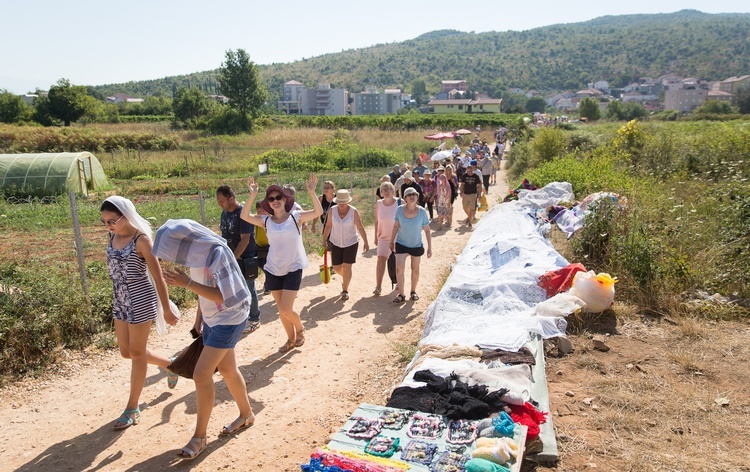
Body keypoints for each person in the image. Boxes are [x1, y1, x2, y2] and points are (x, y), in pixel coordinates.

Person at [155, 219, 254, 460]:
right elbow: (207, 288)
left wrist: (186, 282)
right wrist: (200, 318)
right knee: (229, 370)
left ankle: (199, 437)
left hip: (230, 317)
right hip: (213, 318)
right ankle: (247, 414)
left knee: (201, 374)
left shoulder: (217, 253)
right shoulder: (198, 254)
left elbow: (226, 295)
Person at [100, 197, 180, 431]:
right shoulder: (112, 236)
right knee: (127, 352)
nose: (109, 226)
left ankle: (132, 408)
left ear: (125, 215)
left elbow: (158, 277)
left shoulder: (142, 241)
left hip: (140, 300)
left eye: (112, 221)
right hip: (119, 299)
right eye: (105, 222)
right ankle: (170, 365)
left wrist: (166, 308)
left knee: (136, 353)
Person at [240, 174, 323, 352]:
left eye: (278, 197)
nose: (275, 201)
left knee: (286, 308)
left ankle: (300, 329)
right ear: (268, 203)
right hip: (273, 268)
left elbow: (318, 212)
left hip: (293, 267)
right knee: (281, 309)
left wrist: (312, 192)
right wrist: (252, 195)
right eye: (271, 199)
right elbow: (244, 215)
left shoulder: (296, 217)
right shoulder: (266, 221)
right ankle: (290, 339)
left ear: (285, 199)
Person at [216, 185, 261, 334]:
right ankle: (240, 317)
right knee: (232, 289)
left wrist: (232, 258)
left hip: (244, 256)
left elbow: (245, 240)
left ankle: (254, 318)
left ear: (231, 198)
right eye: (218, 201)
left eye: (222, 200)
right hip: (230, 256)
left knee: (248, 288)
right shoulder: (224, 213)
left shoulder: (243, 214)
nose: (219, 204)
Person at [321, 189, 370, 300]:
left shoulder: (353, 211)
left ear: (348, 202)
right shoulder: (332, 211)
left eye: (344, 202)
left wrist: (366, 242)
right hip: (336, 242)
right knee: (337, 268)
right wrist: (324, 240)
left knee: (347, 267)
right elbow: (328, 226)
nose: (342, 204)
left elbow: (360, 227)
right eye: (340, 202)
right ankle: (346, 278)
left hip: (351, 243)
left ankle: (345, 290)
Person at [390, 187, 432, 303]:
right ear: (405, 198)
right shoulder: (399, 210)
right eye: (409, 195)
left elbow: (427, 230)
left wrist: (429, 248)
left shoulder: (422, 211)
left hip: (416, 245)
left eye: (414, 194)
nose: (412, 196)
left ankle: (413, 291)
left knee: (415, 269)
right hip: (401, 244)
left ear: (417, 197)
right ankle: (401, 294)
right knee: (399, 269)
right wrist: (391, 241)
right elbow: (395, 226)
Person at [373, 182, 399, 296]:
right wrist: (375, 236)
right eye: (383, 190)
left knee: (398, 261)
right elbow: (377, 221)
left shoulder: (400, 202)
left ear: (392, 190)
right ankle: (378, 286)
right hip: (383, 237)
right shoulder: (378, 203)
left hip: (398, 237)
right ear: (381, 192)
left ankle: (399, 282)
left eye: (388, 189)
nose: (386, 191)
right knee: (380, 259)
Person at [460, 164, 483, 230]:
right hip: (466, 194)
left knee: (472, 209)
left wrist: (479, 193)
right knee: (465, 207)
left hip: (473, 194)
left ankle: (470, 222)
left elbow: (479, 185)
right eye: (468, 171)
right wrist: (461, 192)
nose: (469, 172)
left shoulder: (476, 176)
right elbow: (462, 184)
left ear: (472, 170)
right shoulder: (464, 176)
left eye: (470, 171)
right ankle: (470, 216)